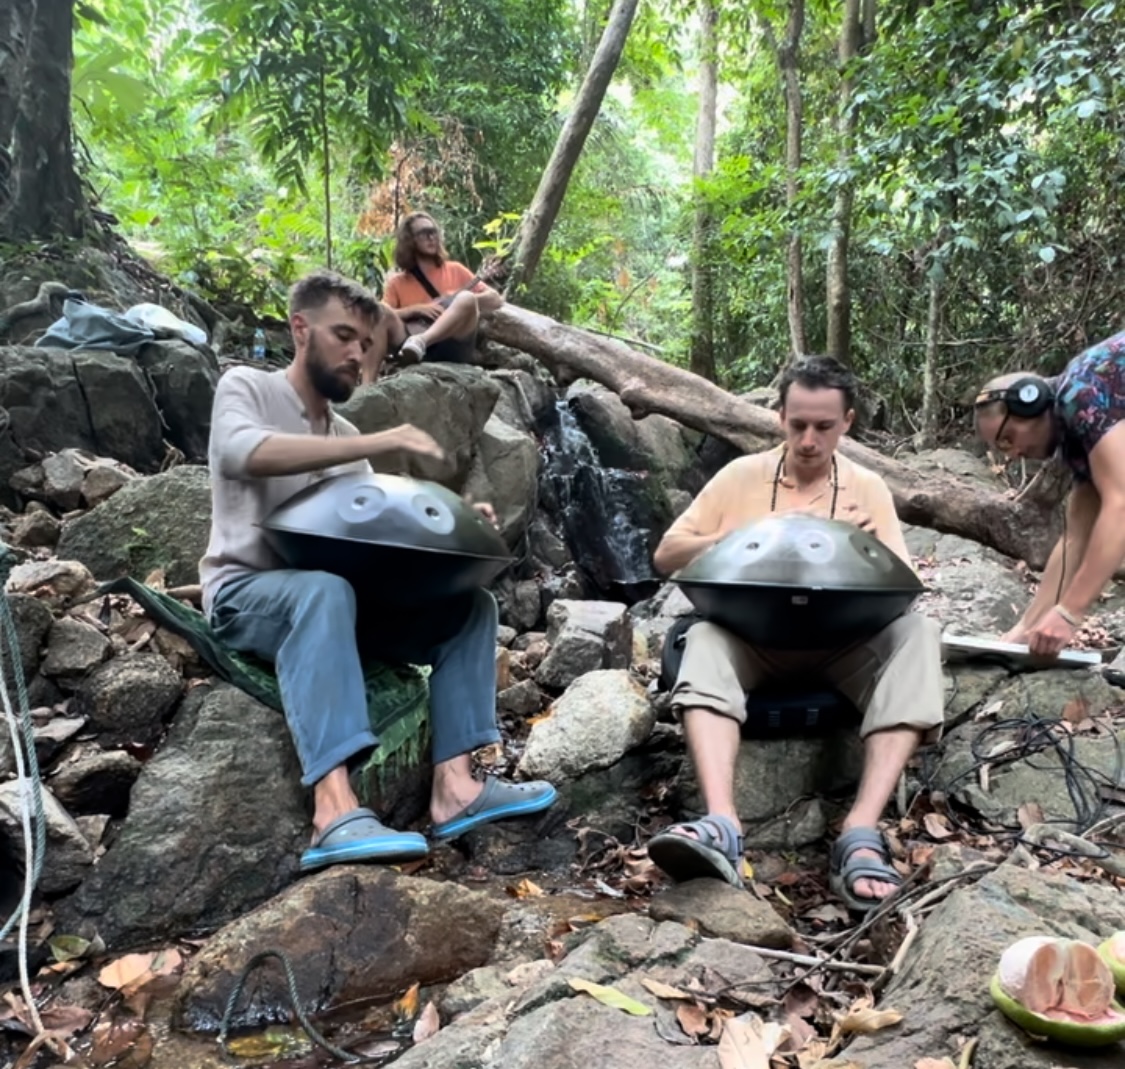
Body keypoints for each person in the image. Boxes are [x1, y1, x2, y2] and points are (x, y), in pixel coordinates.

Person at [199, 269, 556, 873]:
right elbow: (243, 453)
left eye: (367, 343)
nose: (358, 354)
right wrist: (374, 443)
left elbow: (376, 538)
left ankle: (456, 787)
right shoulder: (248, 388)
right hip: (246, 594)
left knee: (469, 610)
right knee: (324, 591)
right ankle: (333, 809)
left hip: (337, 605)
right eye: (344, 336)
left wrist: (459, 521)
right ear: (300, 330)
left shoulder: (343, 429)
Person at [647, 355, 943, 912]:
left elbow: (904, 590)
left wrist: (869, 549)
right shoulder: (740, 477)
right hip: (755, 641)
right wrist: (735, 535)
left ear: (847, 422)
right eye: (797, 424)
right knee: (704, 639)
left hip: (843, 644)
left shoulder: (867, 486)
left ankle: (859, 832)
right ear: (778, 416)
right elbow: (666, 554)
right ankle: (722, 824)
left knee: (920, 635)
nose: (809, 440)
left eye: (824, 427)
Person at [973, 329, 1125, 658]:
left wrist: (1069, 613)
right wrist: (1024, 631)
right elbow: (1076, 537)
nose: (1012, 454)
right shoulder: (1074, 437)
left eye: (1008, 438)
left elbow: (1120, 505)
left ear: (1030, 401)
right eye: (1001, 449)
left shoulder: (1078, 394)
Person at [378, 212, 504, 369]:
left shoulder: (455, 269)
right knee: (381, 311)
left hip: (453, 345)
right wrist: (415, 310)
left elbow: (496, 300)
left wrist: (454, 301)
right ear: (409, 240)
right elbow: (380, 313)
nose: (431, 237)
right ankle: (373, 375)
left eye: (434, 232)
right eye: (424, 233)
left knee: (466, 298)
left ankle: (422, 341)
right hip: (408, 344)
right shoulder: (397, 282)